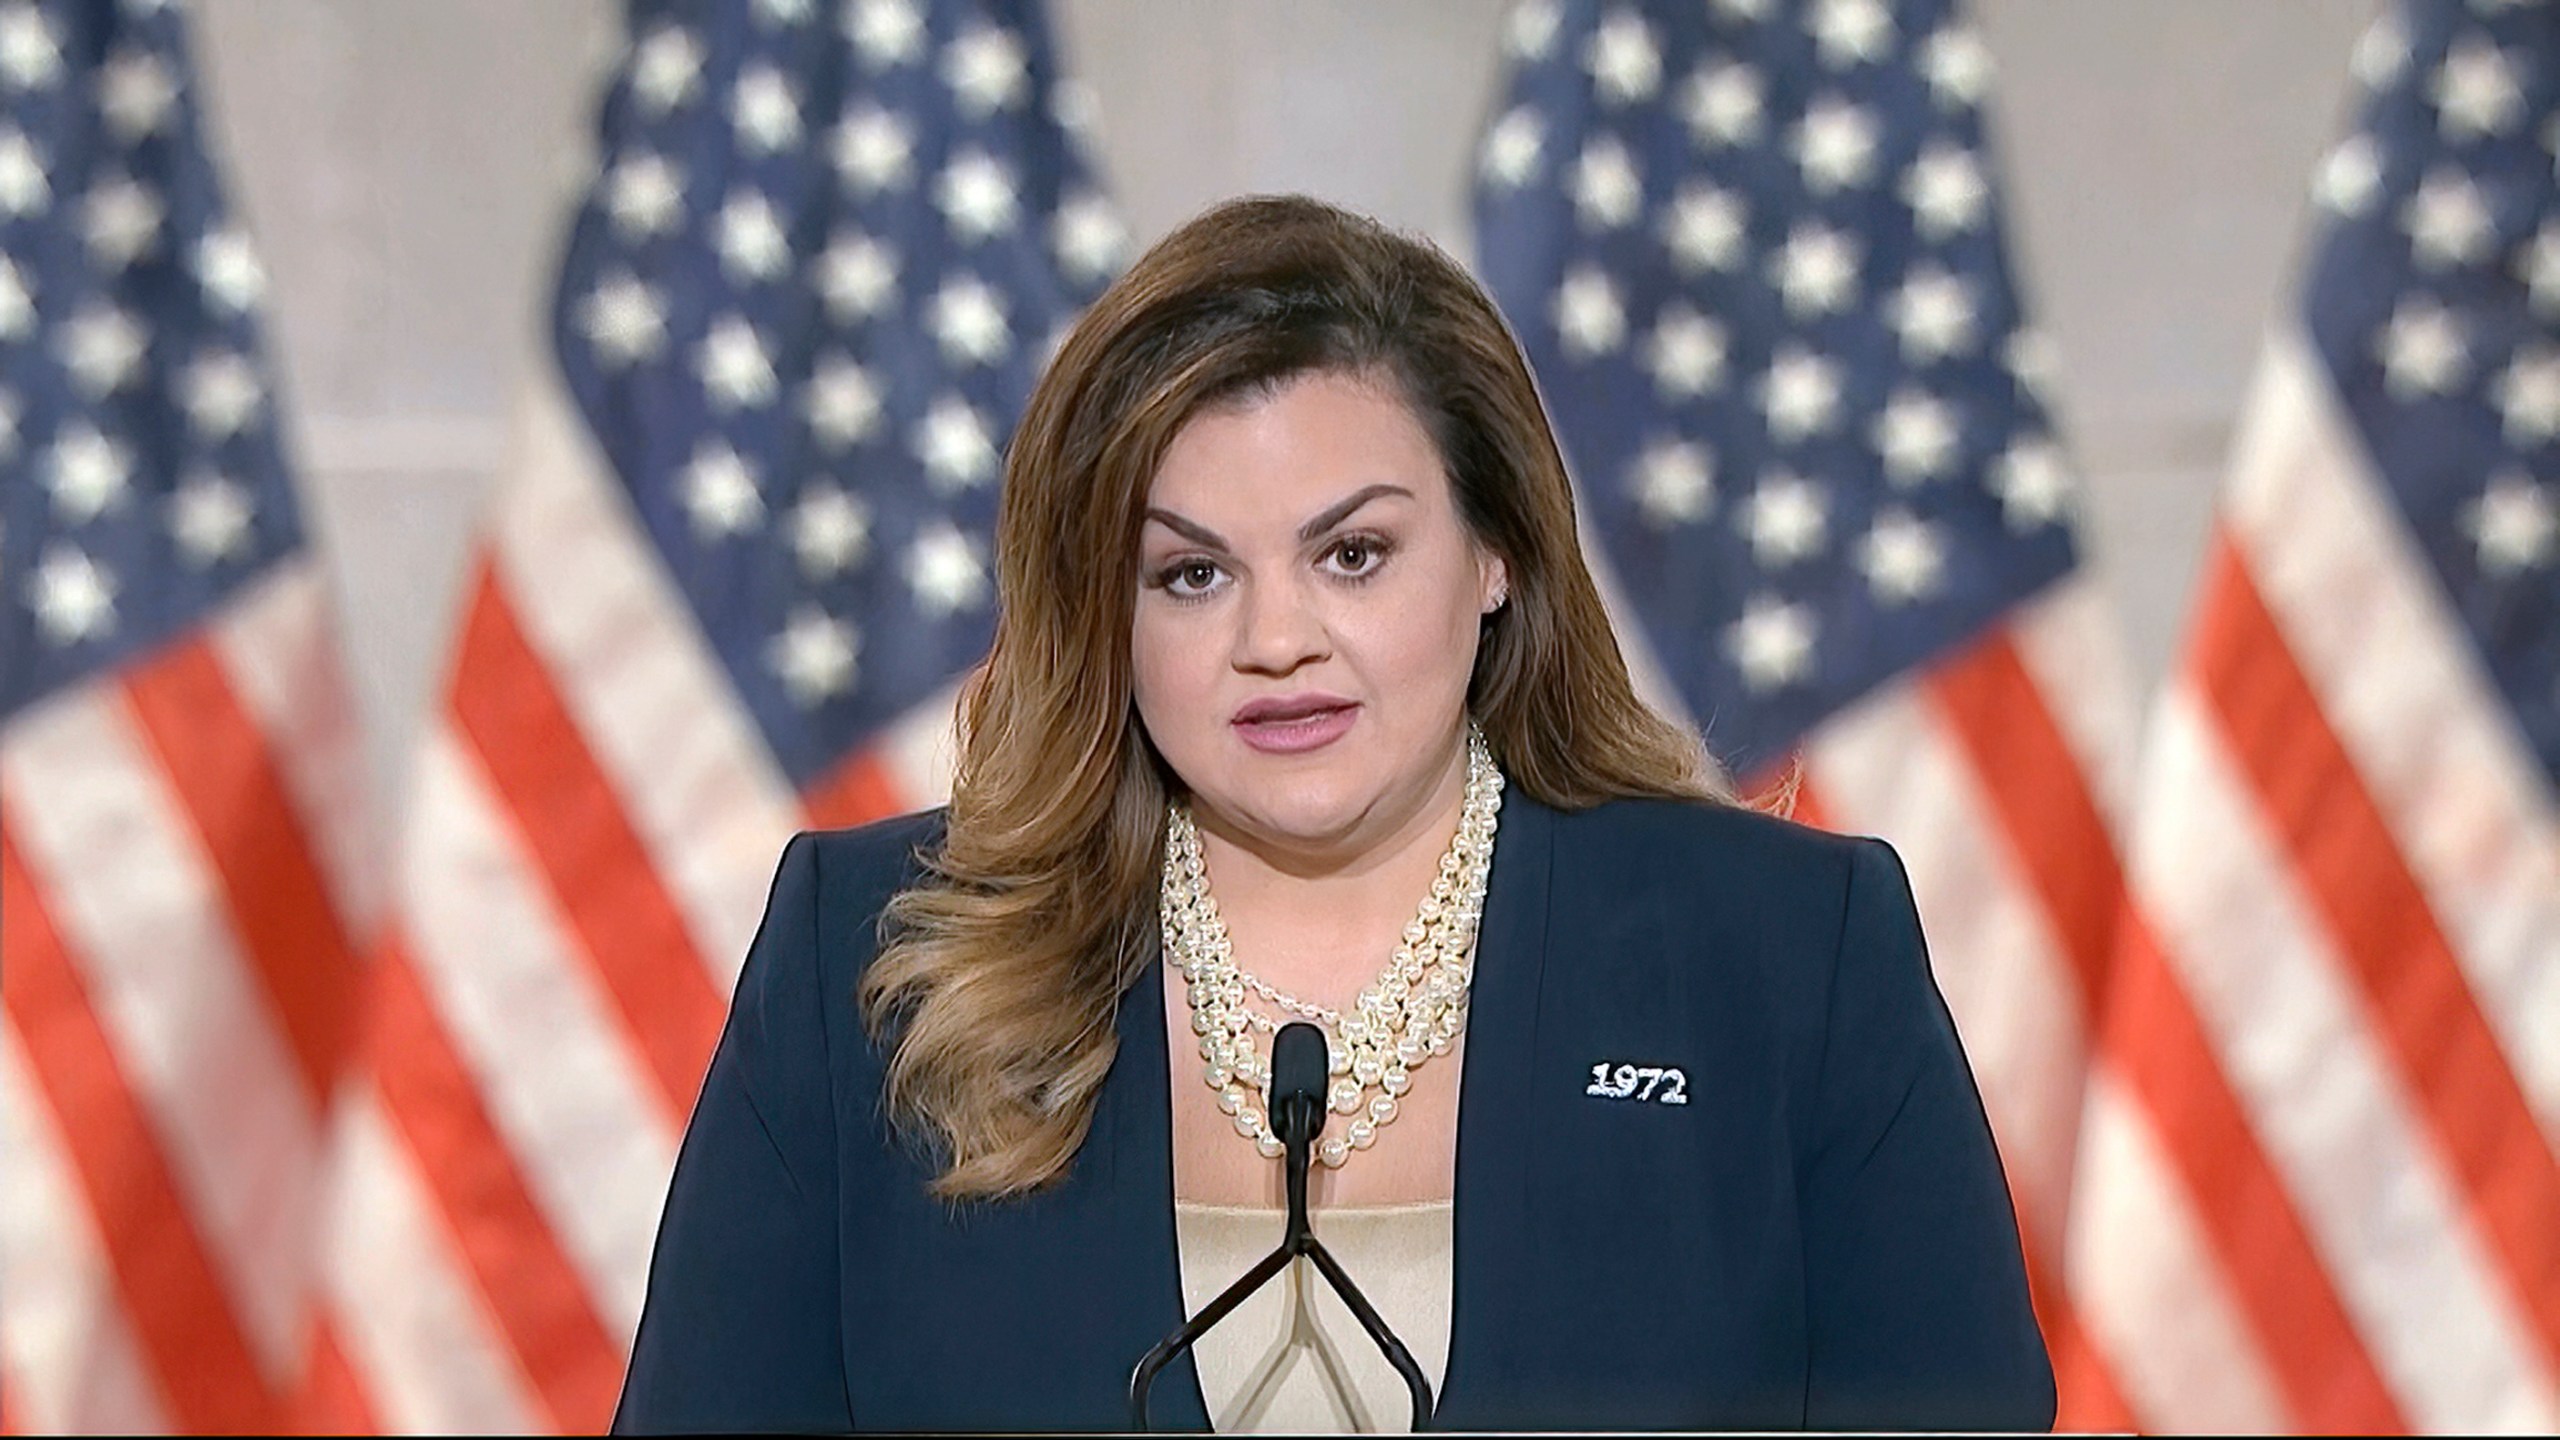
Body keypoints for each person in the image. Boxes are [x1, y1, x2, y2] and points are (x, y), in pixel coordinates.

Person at [613, 194, 2055, 1435]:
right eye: (1190, 575)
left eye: (1353, 554)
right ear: (1104, 613)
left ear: (1495, 552)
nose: (1276, 638)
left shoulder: (1786, 956)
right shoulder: (871, 964)